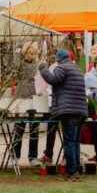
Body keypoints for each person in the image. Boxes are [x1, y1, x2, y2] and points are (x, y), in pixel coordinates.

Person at [37, 49, 88, 182]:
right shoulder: (76, 69)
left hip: (69, 111)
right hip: (80, 111)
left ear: (59, 60)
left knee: (69, 143)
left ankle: (71, 172)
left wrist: (42, 67)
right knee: (75, 142)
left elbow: (52, 79)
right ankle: (76, 170)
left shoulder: (63, 68)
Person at [11, 43, 41, 166]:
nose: (31, 56)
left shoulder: (37, 64)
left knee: (35, 127)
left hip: (34, 94)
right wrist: (18, 55)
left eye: (33, 54)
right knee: (19, 127)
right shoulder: (19, 63)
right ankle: (15, 155)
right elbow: (14, 73)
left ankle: (33, 156)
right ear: (24, 53)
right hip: (22, 93)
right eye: (29, 53)